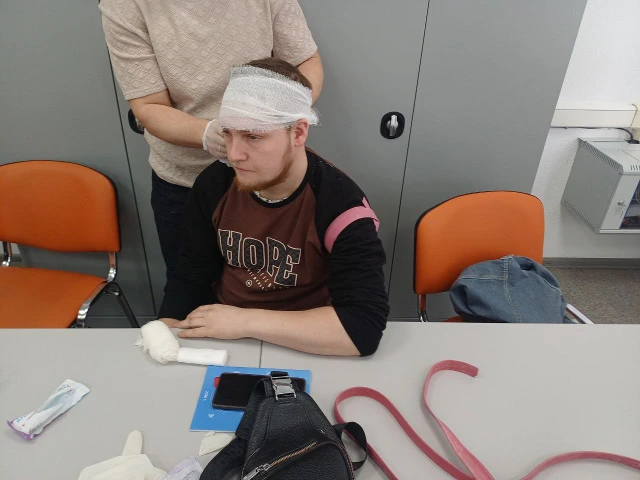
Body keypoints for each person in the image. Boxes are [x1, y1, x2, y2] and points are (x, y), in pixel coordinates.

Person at [159, 58, 389, 356]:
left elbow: (363, 328)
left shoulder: (340, 205)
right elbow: (190, 276)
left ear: (298, 133)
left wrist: (245, 322)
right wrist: (164, 334)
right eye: (228, 133)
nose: (234, 154)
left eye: (253, 136)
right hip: (226, 335)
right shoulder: (215, 184)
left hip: (308, 339)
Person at [99, 0, 323, 289]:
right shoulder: (125, 5)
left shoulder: (336, 196)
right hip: (185, 181)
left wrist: (281, 114)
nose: (236, 154)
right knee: (192, 288)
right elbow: (149, 105)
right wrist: (209, 133)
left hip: (271, 179)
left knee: (275, 287)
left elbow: (306, 61)